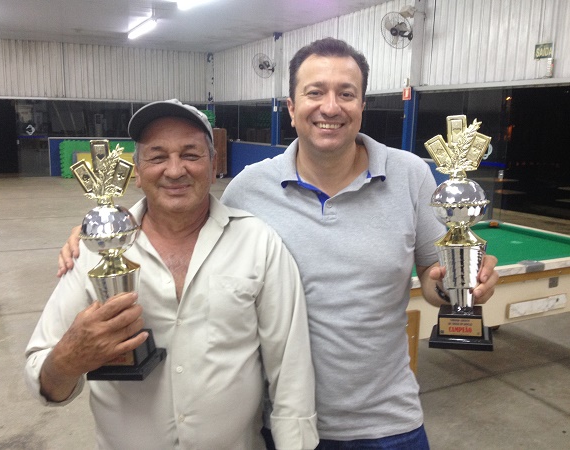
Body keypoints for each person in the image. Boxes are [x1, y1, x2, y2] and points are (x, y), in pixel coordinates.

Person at [58, 39, 499, 448]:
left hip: (387, 423)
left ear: (362, 105)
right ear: (291, 107)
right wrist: (104, 231)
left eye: (346, 93)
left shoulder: (411, 175)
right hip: (277, 426)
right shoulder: (250, 187)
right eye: (315, 92)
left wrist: (460, 285)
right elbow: (181, 216)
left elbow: (432, 279)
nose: (330, 107)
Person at [26, 99, 319, 450]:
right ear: (136, 171)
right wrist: (69, 358)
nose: (175, 170)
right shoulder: (94, 250)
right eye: (158, 156)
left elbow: (290, 371)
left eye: (191, 155)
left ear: (214, 165)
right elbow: (43, 379)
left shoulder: (258, 243)